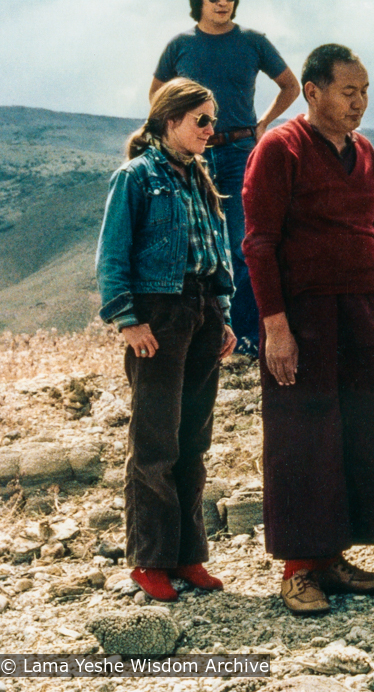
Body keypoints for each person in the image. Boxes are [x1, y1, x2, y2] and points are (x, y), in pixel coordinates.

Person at [242, 44, 374, 615]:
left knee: (367, 431)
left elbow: (372, 233)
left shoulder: (365, 153)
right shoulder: (280, 148)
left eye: (365, 91)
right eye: (349, 91)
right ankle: (300, 569)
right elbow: (259, 243)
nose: (360, 102)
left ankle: (334, 558)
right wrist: (275, 327)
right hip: (305, 315)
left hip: (363, 311)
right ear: (313, 92)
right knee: (305, 437)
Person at [96, 78, 237, 602]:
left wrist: (221, 314)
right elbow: (112, 254)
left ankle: (187, 555)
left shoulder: (200, 178)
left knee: (193, 440)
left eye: (213, 119)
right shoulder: (136, 177)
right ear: (169, 119)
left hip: (200, 310)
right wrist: (128, 320)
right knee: (155, 441)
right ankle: (149, 561)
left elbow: (215, 253)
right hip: (158, 312)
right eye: (201, 119)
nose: (210, 128)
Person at [151, 0, 300, 358]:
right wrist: (175, 137)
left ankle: (250, 336)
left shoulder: (252, 42)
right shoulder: (180, 46)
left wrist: (265, 123)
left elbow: (290, 85)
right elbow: (157, 96)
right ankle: (208, 336)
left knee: (242, 245)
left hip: (238, 154)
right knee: (199, 249)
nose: (223, 2)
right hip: (192, 157)